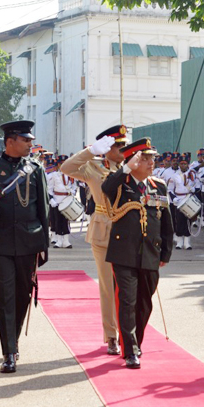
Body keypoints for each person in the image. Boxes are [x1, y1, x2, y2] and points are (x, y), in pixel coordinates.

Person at [0, 120, 49, 373]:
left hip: (29, 242)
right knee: (5, 296)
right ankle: (9, 351)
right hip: (1, 242)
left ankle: (12, 338)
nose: (30, 144)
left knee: (23, 294)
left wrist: (43, 244)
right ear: (10, 141)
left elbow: (43, 210)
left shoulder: (35, 169)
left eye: (30, 140)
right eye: (26, 140)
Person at [101, 139, 174, 369]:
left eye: (152, 157)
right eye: (145, 158)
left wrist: (166, 252)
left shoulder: (158, 186)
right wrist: (125, 168)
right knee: (128, 301)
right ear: (133, 161)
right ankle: (130, 349)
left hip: (150, 252)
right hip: (124, 253)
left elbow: (166, 222)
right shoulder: (121, 184)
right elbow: (105, 189)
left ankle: (137, 342)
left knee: (144, 303)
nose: (152, 162)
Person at [61, 124, 127, 355]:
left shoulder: (128, 167)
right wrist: (91, 151)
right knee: (108, 285)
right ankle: (111, 335)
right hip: (103, 230)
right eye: (117, 146)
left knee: (128, 285)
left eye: (123, 145)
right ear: (106, 147)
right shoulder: (92, 167)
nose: (122, 150)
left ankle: (128, 331)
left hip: (128, 230)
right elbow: (66, 167)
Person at [47, 155, 77, 249]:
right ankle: (59, 240)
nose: (62, 165)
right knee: (57, 220)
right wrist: (51, 200)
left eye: (65, 163)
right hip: (57, 200)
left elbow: (74, 187)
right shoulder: (53, 175)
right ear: (58, 165)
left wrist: (72, 192)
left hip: (67, 200)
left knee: (66, 220)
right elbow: (49, 189)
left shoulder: (71, 175)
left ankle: (66, 240)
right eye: (61, 163)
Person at [171, 154, 196, 250]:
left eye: (185, 163)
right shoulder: (175, 175)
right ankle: (179, 242)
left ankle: (187, 242)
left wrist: (194, 189)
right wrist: (173, 198)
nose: (183, 165)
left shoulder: (192, 174)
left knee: (188, 220)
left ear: (188, 164)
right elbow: (170, 190)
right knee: (179, 220)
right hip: (178, 199)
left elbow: (197, 186)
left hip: (188, 198)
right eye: (181, 163)